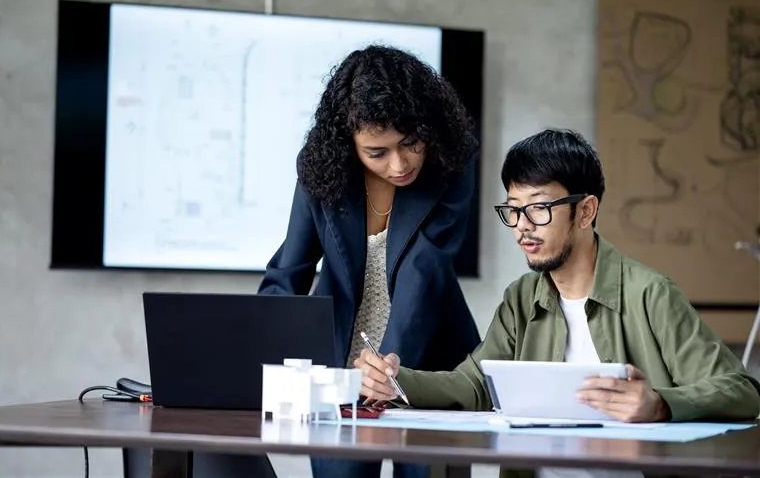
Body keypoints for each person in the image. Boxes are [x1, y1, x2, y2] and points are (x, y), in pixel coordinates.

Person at [354, 128, 760, 478]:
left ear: (585, 211)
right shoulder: (521, 298)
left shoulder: (649, 293)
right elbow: (475, 385)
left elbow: (741, 391)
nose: (522, 228)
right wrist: (397, 381)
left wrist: (660, 405)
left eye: (539, 209)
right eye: (513, 211)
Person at [257, 44, 482, 478]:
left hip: (428, 367)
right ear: (349, 145)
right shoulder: (321, 172)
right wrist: (257, 355)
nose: (399, 164)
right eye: (377, 153)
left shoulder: (453, 161)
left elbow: (424, 268)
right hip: (339, 375)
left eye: (410, 144)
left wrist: (388, 371)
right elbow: (290, 269)